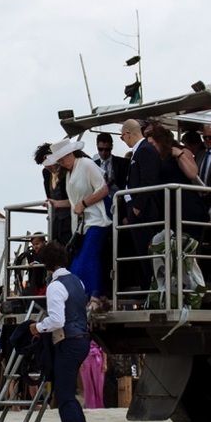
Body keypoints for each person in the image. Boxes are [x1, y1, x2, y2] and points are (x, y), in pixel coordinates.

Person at [33, 243, 95, 422]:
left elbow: (57, 320)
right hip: (82, 339)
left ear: (47, 265)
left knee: (65, 395)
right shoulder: (76, 281)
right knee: (69, 392)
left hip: (67, 341)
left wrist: (37, 328)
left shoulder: (55, 286)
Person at [45, 138, 112, 300]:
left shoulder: (86, 165)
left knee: (87, 258)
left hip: (97, 219)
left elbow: (103, 190)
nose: (61, 163)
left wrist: (83, 203)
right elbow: (74, 201)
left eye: (62, 159)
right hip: (82, 225)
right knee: (77, 263)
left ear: (70, 154)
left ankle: (94, 295)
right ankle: (94, 295)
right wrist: (56, 204)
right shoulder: (69, 173)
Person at [119, 119, 162, 293]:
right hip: (135, 208)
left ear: (128, 134)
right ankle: (147, 289)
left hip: (144, 210)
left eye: (123, 138)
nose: (124, 141)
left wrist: (137, 206)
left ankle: (151, 290)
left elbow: (148, 179)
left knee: (147, 252)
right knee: (141, 252)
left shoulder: (145, 150)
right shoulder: (140, 151)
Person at [36, 143, 73, 246]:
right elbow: (49, 194)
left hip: (70, 216)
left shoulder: (67, 170)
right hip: (55, 218)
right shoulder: (46, 173)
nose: (48, 167)